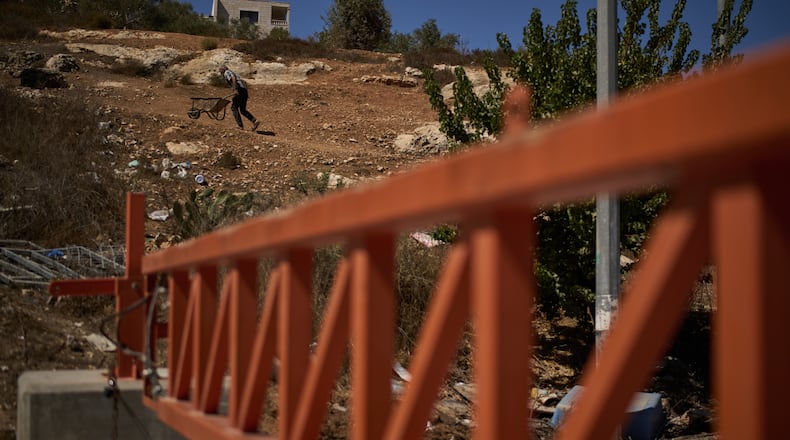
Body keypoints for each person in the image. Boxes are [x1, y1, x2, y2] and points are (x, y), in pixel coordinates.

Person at [218, 65, 260, 131]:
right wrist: (245, 93)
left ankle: (240, 126)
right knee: (242, 110)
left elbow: (233, 78)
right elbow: (244, 82)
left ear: (223, 69)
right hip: (244, 91)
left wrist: (235, 89)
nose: (220, 72)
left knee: (234, 107)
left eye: (220, 70)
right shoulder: (233, 73)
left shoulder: (227, 72)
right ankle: (255, 121)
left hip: (239, 90)